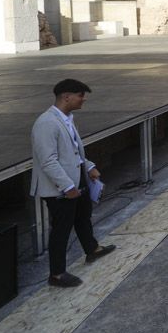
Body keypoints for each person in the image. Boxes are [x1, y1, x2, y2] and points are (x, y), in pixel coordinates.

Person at [31, 79, 116, 288]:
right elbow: (48, 160)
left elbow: (73, 151)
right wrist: (67, 187)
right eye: (80, 95)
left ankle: (92, 249)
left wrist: (88, 167)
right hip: (61, 188)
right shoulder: (46, 123)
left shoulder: (67, 118)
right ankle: (57, 274)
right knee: (62, 228)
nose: (83, 99)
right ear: (66, 97)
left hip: (77, 179)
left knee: (82, 217)